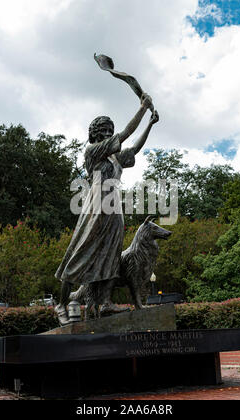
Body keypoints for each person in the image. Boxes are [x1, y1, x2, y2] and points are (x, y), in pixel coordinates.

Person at [55, 93, 159, 325]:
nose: (108, 132)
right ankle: (61, 305)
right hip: (97, 207)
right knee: (79, 254)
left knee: (111, 257)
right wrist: (142, 108)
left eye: (109, 128)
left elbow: (134, 148)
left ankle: (105, 303)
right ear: (95, 134)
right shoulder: (92, 151)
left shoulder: (114, 159)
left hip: (114, 211)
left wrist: (149, 124)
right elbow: (125, 135)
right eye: (103, 129)